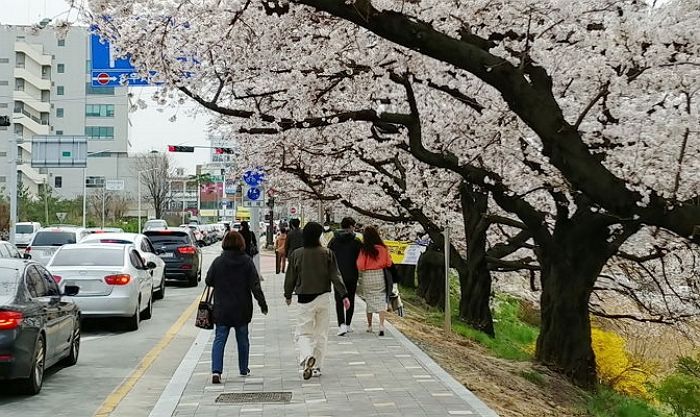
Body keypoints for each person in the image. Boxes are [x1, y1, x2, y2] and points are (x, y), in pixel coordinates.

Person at [284, 222, 350, 380]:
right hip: (323, 297)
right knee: (321, 334)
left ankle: (307, 357)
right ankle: (317, 366)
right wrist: (344, 294)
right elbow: (335, 275)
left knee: (303, 333)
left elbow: (290, 277)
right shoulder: (327, 253)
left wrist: (287, 294)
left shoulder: (297, 254)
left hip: (304, 298)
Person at [205, 231, 268, 384]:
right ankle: (243, 368)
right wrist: (262, 304)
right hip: (242, 308)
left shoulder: (218, 262)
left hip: (222, 309)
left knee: (219, 339)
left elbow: (208, 280)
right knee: (243, 339)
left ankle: (216, 371)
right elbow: (255, 286)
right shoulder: (246, 262)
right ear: (241, 244)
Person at [328, 217, 362, 336]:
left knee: (339, 299)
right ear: (351, 226)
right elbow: (361, 257)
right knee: (350, 298)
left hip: (337, 275)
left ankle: (341, 324)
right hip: (352, 274)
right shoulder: (356, 242)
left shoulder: (334, 240)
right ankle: (348, 324)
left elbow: (329, 255)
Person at [357, 226, 392, 336]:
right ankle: (381, 326)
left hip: (368, 276)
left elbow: (360, 265)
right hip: (380, 275)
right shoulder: (383, 248)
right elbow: (389, 263)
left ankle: (370, 326)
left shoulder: (365, 250)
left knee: (369, 301)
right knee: (381, 300)